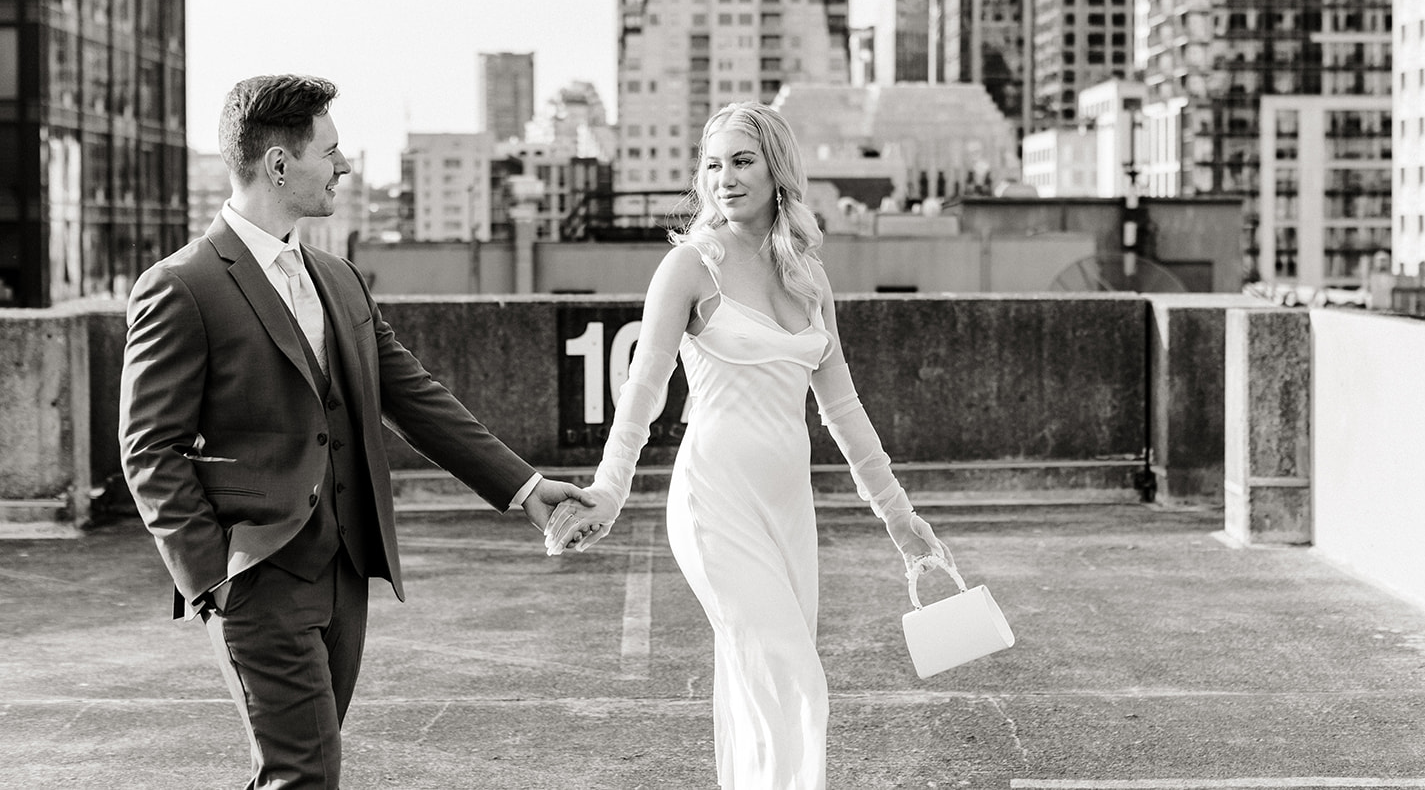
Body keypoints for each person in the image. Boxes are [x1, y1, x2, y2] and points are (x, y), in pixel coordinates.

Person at [118, 74, 591, 789]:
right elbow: (148, 446)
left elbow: (414, 396)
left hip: (346, 576)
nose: (345, 165)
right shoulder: (182, 285)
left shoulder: (338, 278)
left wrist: (522, 485)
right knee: (306, 772)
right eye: (332, 151)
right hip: (257, 577)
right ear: (280, 165)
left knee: (295, 766)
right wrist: (214, 578)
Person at [545, 101, 952, 789]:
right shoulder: (689, 267)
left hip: (788, 512)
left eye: (741, 160)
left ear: (776, 170)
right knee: (795, 680)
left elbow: (844, 409)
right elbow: (642, 390)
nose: (724, 179)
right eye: (712, 165)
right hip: (714, 501)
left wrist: (901, 520)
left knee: (756, 687)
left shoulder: (808, 275)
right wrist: (609, 492)